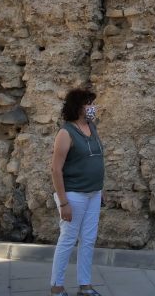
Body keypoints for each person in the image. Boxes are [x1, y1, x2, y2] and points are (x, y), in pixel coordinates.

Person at [50, 88, 106, 296]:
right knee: (68, 238)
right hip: (74, 194)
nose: (93, 107)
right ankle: (57, 287)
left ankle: (85, 286)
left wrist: (101, 189)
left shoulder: (92, 127)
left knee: (89, 238)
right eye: (88, 103)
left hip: (94, 193)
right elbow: (56, 169)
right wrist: (63, 202)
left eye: (92, 103)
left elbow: (96, 159)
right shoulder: (66, 132)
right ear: (78, 106)